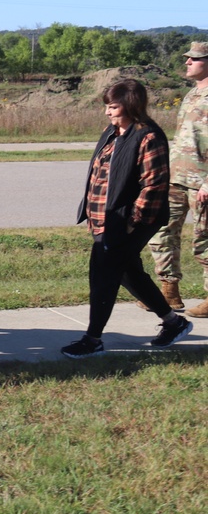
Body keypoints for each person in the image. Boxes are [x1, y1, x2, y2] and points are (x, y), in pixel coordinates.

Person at [61, 79, 194, 358]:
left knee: (103, 276)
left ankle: (93, 339)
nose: (107, 112)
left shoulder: (148, 136)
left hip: (129, 222)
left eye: (113, 107)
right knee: (126, 272)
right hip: (103, 218)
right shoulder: (112, 132)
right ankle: (173, 322)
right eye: (107, 107)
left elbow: (154, 185)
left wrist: (133, 221)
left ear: (131, 106)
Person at [147, 41, 208, 318]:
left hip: (202, 182)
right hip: (176, 178)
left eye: (194, 59)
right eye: (188, 58)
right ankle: (169, 291)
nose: (187, 62)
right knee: (160, 231)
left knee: (204, 239)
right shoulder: (191, 95)